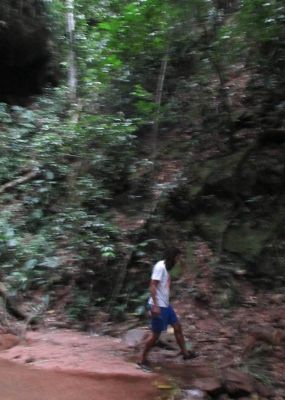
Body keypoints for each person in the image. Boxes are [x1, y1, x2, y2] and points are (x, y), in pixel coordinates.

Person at [138, 248, 197, 370]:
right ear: (172, 256)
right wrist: (154, 305)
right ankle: (142, 360)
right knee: (155, 335)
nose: (178, 260)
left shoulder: (166, 268)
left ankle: (185, 354)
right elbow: (152, 285)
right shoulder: (160, 267)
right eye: (177, 257)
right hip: (158, 305)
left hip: (166, 305)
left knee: (177, 327)